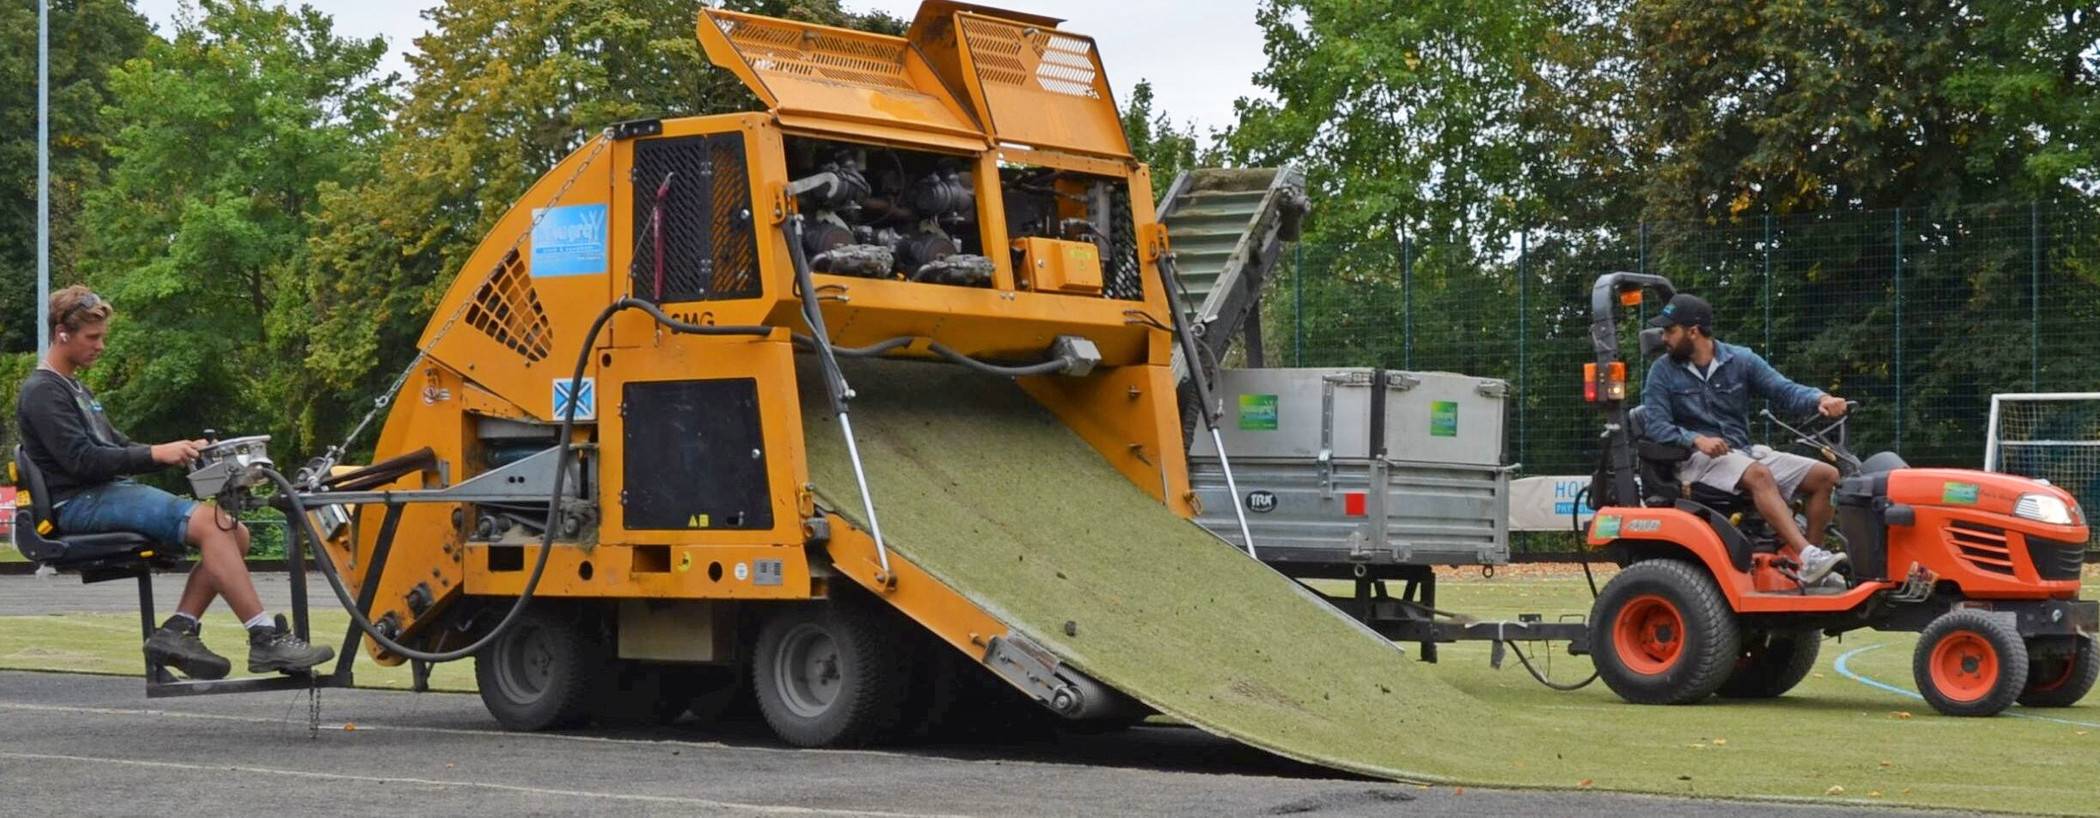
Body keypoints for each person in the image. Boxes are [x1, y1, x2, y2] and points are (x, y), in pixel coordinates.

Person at [16, 286, 332, 679]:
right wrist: (156, 454)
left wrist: (184, 448)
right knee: (210, 523)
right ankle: (264, 638)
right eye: (92, 338)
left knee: (236, 533)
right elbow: (82, 461)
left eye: (102, 337)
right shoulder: (42, 391)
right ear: (62, 333)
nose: (100, 346)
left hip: (104, 493)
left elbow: (118, 446)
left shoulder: (76, 389)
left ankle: (178, 630)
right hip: (79, 503)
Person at [1640, 293, 1851, 584]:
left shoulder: (1741, 360)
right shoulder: (1661, 372)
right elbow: (1656, 426)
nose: (1663, 337)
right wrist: (1696, 439)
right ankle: (1809, 556)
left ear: (1693, 331)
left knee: (1826, 476)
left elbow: (1784, 390)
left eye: (1669, 330)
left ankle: (1808, 564)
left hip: (1742, 453)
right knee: (1759, 474)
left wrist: (1821, 398)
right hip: (1693, 460)